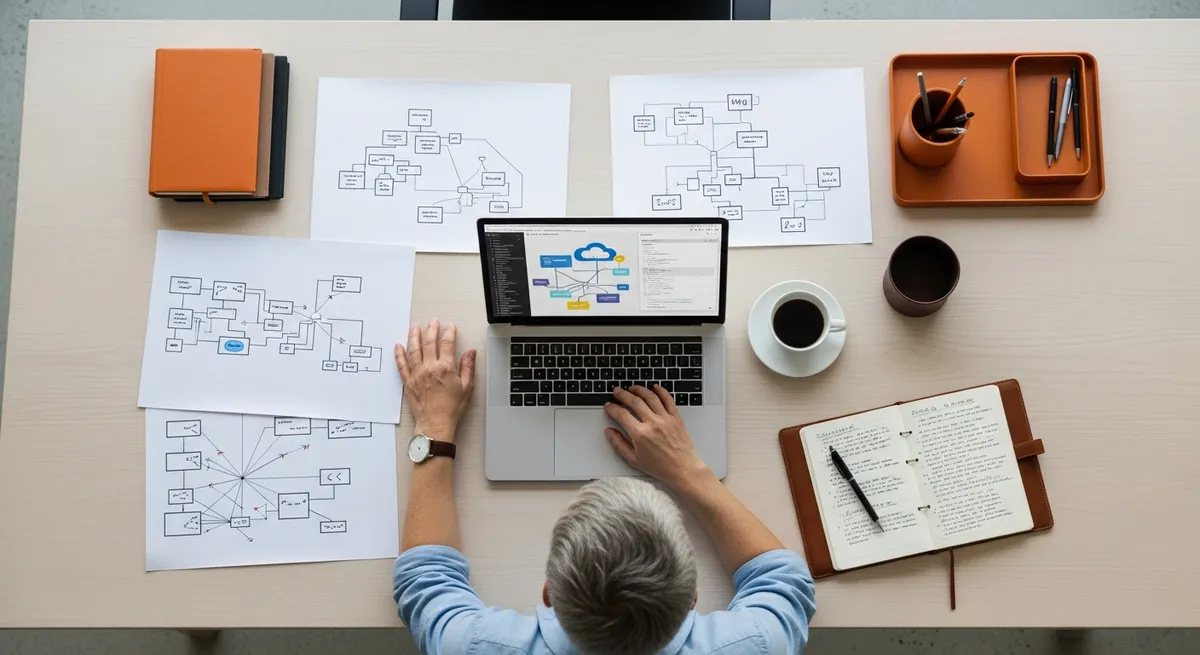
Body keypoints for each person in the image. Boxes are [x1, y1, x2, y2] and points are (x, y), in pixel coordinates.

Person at [393, 320, 816, 655]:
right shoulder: (757, 643)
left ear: (547, 595)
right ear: (692, 597)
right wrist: (688, 470)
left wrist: (434, 424)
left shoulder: (474, 645)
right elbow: (783, 579)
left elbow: (426, 581)